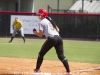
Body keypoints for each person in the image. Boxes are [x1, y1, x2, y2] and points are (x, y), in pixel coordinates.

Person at [33, 8, 72, 75]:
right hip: (59, 38)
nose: (38, 15)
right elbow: (58, 30)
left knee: (41, 54)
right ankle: (68, 71)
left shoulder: (41, 22)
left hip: (51, 39)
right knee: (61, 56)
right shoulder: (50, 20)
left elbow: (40, 35)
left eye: (39, 14)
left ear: (42, 15)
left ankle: (37, 70)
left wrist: (35, 32)